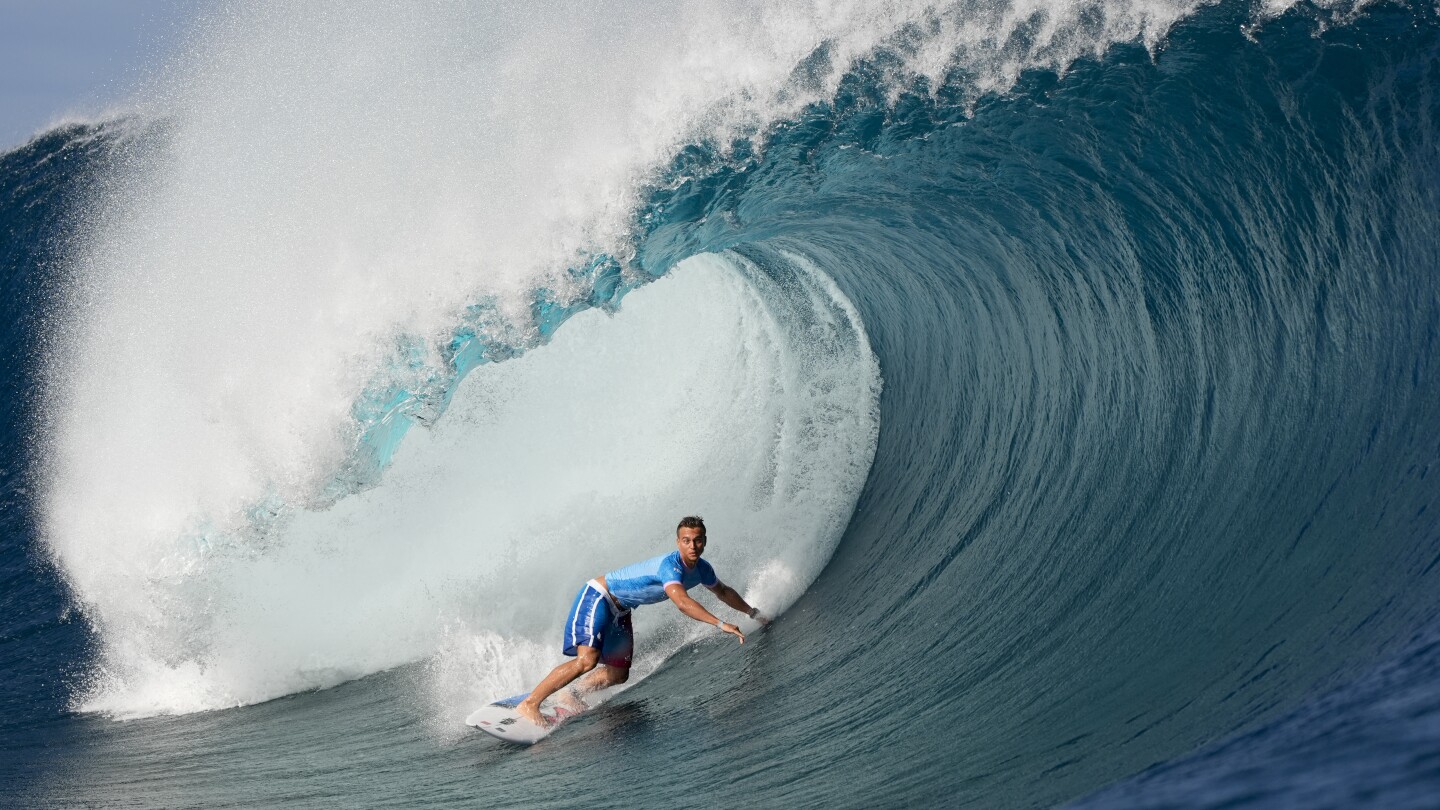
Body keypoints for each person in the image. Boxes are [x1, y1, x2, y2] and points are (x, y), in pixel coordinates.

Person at [514, 515, 766, 727]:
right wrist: (721, 624)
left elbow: (723, 591)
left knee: (618, 674)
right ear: (678, 542)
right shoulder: (671, 566)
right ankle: (529, 704)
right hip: (599, 596)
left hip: (621, 610)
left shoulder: (703, 569)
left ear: (705, 542)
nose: (692, 546)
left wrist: (751, 612)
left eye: (697, 540)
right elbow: (682, 603)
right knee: (587, 660)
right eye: (686, 541)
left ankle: (572, 693)